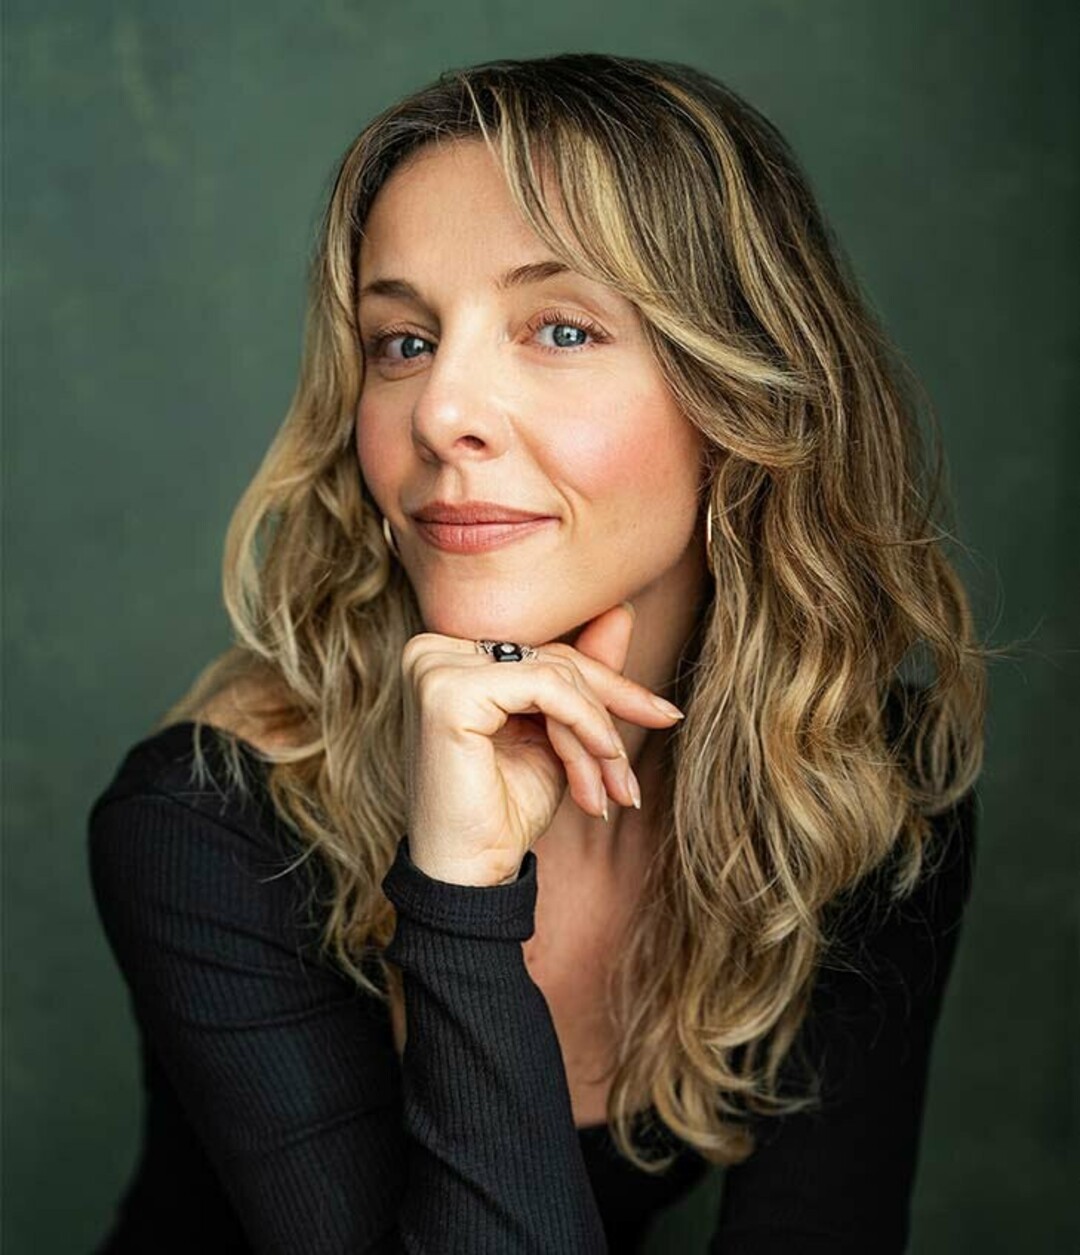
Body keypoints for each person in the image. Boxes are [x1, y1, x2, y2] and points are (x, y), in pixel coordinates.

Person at [87, 52, 993, 1253]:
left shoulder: (866, 782)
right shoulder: (211, 823)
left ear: (743, 403)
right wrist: (462, 895)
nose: (440, 411)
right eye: (402, 342)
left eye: (560, 327)